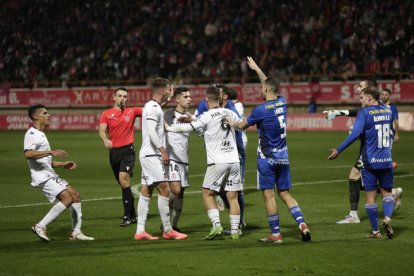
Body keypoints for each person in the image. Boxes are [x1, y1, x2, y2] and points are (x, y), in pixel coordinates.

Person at [229, 57, 311, 243]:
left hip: (266, 158)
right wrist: (258, 69)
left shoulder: (261, 110)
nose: (261, 89)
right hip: (283, 157)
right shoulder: (282, 102)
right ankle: (302, 223)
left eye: (262, 88)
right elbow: (269, 85)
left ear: (266, 90)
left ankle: (276, 234)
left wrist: (231, 122)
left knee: (268, 195)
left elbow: (242, 126)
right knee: (285, 193)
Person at [166, 86, 243, 240]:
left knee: (207, 193)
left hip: (218, 162)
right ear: (221, 99)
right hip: (234, 160)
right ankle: (235, 231)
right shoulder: (230, 112)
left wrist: (170, 128)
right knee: (232, 196)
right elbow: (240, 126)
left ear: (207, 100)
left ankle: (216, 225)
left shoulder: (207, 115)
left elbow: (188, 128)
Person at [323, 82, 403, 224]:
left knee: (357, 179)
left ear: (369, 94)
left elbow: (359, 125)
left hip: (370, 153)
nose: (358, 90)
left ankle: (361, 219)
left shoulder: (367, 110)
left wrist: (339, 148)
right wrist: (338, 113)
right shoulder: (385, 110)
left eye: (361, 87)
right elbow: (358, 113)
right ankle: (390, 195)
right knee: (356, 180)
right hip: (382, 154)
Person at [25, 104, 94, 242]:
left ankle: (76, 232)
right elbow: (28, 154)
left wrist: (62, 164)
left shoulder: (41, 134)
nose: (48, 115)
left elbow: (44, 161)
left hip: (48, 173)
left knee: (75, 195)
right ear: (35, 116)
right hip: (42, 176)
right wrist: (50, 152)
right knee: (67, 198)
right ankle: (40, 226)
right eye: (44, 113)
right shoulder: (32, 133)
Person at [134, 77, 188, 241]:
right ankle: (167, 230)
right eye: (169, 90)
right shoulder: (152, 108)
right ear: (164, 91)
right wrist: (163, 151)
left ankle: (140, 231)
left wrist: (166, 101)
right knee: (165, 189)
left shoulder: (153, 106)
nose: (169, 93)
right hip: (152, 155)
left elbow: (155, 115)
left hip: (148, 154)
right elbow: (151, 132)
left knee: (146, 191)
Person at [194, 84, 247, 233]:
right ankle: (235, 227)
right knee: (229, 193)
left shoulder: (229, 108)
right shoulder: (218, 109)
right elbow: (199, 119)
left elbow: (239, 124)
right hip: (225, 154)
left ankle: (230, 223)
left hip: (229, 154)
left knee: (229, 192)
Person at [99, 88, 142, 226]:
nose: (123, 98)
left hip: (128, 151)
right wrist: (105, 140)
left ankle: (126, 217)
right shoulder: (106, 114)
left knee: (124, 180)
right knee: (124, 186)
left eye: (125, 96)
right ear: (114, 98)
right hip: (114, 153)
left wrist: (165, 100)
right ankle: (133, 215)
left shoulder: (132, 111)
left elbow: (152, 109)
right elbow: (102, 130)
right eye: (120, 96)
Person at [164, 87, 192, 231]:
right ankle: (165, 219)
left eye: (189, 96)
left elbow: (201, 130)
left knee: (180, 193)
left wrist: (193, 120)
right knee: (175, 190)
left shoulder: (190, 117)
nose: (189, 99)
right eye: (186, 97)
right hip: (172, 159)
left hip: (184, 160)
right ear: (178, 99)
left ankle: (173, 226)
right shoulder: (168, 115)